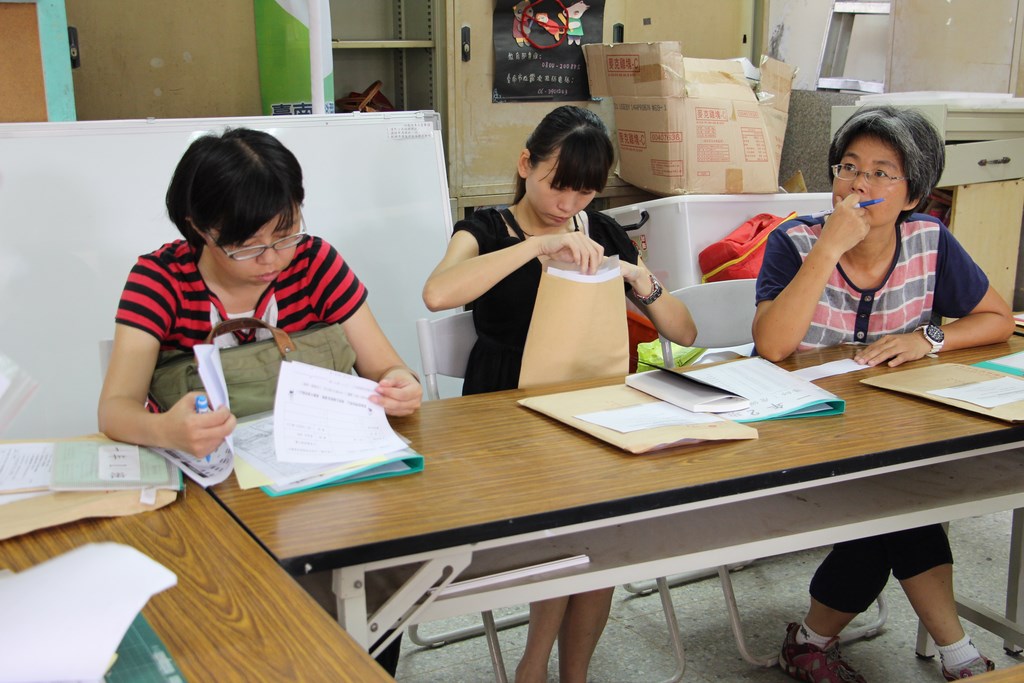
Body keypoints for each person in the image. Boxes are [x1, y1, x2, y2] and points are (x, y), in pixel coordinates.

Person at [98, 127, 421, 675]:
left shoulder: (315, 262)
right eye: (247, 245)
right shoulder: (160, 278)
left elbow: (385, 364)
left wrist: (400, 384)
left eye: (286, 232)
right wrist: (166, 430)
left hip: (322, 485)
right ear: (200, 227)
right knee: (243, 630)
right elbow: (114, 409)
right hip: (215, 501)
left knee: (370, 592)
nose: (272, 258)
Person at [423, 105, 697, 682]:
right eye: (557, 185)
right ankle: (533, 667)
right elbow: (438, 294)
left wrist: (637, 277)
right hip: (505, 413)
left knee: (601, 537)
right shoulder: (486, 228)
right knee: (574, 529)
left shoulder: (599, 231)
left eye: (585, 192)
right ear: (526, 164)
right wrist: (538, 248)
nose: (567, 204)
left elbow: (683, 332)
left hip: (589, 405)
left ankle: (568, 673)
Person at [753, 105, 1013, 682]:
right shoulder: (794, 241)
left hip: (888, 432)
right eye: (848, 168)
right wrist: (828, 250)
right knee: (902, 503)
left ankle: (811, 642)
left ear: (913, 194)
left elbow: (997, 319)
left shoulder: (929, 240)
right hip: (794, 434)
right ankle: (961, 658)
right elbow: (772, 345)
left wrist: (929, 337)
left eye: (880, 173)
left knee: (893, 503)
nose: (859, 185)